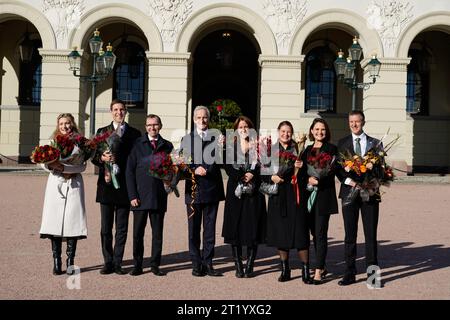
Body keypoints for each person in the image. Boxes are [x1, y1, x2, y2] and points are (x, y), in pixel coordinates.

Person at [92, 99, 141, 275]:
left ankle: (118, 262)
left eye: (121, 109)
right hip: (106, 184)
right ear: (111, 111)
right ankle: (108, 261)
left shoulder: (135, 134)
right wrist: (101, 159)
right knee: (106, 228)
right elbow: (93, 155)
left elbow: (137, 159)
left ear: (125, 111)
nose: (118, 112)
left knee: (122, 227)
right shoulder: (102, 132)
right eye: (115, 109)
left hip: (124, 186)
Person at [336, 110, 382, 286]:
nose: (354, 124)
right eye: (351, 122)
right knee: (350, 235)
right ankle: (350, 273)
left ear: (363, 122)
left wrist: (372, 176)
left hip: (369, 193)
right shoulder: (342, 143)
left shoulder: (375, 144)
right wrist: (350, 181)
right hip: (349, 193)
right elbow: (338, 171)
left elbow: (381, 170)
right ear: (348, 123)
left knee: (370, 236)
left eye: (357, 121)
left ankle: (372, 276)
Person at [263, 121, 312, 284]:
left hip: (295, 194)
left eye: (288, 132)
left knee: (300, 232)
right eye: (283, 131)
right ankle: (285, 269)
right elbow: (261, 173)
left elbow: (309, 173)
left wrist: (302, 167)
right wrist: (271, 177)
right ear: (278, 132)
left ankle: (306, 269)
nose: (286, 134)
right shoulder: (270, 151)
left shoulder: (299, 150)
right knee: (281, 233)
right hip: (278, 195)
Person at [39, 113, 87, 276]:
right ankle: (57, 261)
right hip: (56, 185)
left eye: (67, 123)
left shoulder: (80, 143)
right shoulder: (53, 142)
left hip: (73, 184)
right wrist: (54, 166)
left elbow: (82, 166)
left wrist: (65, 168)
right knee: (55, 223)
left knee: (72, 223)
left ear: (72, 124)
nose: (64, 126)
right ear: (58, 126)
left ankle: (70, 261)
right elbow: (43, 163)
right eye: (61, 124)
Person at [180, 105, 225, 277]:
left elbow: (221, 161)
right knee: (193, 229)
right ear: (194, 120)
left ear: (209, 119)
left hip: (212, 188)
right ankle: (196, 263)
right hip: (193, 189)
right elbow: (182, 162)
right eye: (198, 117)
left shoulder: (217, 138)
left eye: (205, 117)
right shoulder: (186, 139)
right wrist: (194, 168)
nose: (202, 120)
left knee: (209, 228)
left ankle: (208, 262)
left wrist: (222, 147)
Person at [126, 114, 173, 276]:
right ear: (145, 127)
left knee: (157, 234)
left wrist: (170, 182)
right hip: (139, 196)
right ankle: (138, 265)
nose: (152, 128)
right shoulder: (137, 144)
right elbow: (129, 171)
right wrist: (132, 195)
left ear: (160, 126)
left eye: (155, 125)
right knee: (138, 234)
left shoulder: (167, 145)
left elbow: (172, 171)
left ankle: (155, 265)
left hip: (159, 196)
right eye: (149, 125)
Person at [222, 116, 267, 278]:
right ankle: (238, 265)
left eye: (246, 126)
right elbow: (228, 167)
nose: (243, 129)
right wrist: (242, 176)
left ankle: (250, 265)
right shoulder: (229, 146)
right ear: (236, 129)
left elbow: (264, 166)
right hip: (236, 191)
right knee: (236, 227)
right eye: (240, 127)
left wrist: (252, 174)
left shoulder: (259, 146)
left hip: (254, 192)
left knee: (252, 228)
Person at [301, 118, 338, 285]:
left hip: (323, 197)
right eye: (316, 129)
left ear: (326, 131)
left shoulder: (331, 149)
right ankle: (321, 266)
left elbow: (331, 171)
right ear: (311, 131)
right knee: (313, 234)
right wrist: (308, 179)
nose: (319, 132)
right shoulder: (307, 150)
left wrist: (319, 181)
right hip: (308, 197)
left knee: (321, 233)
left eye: (322, 129)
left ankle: (318, 271)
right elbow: (300, 172)